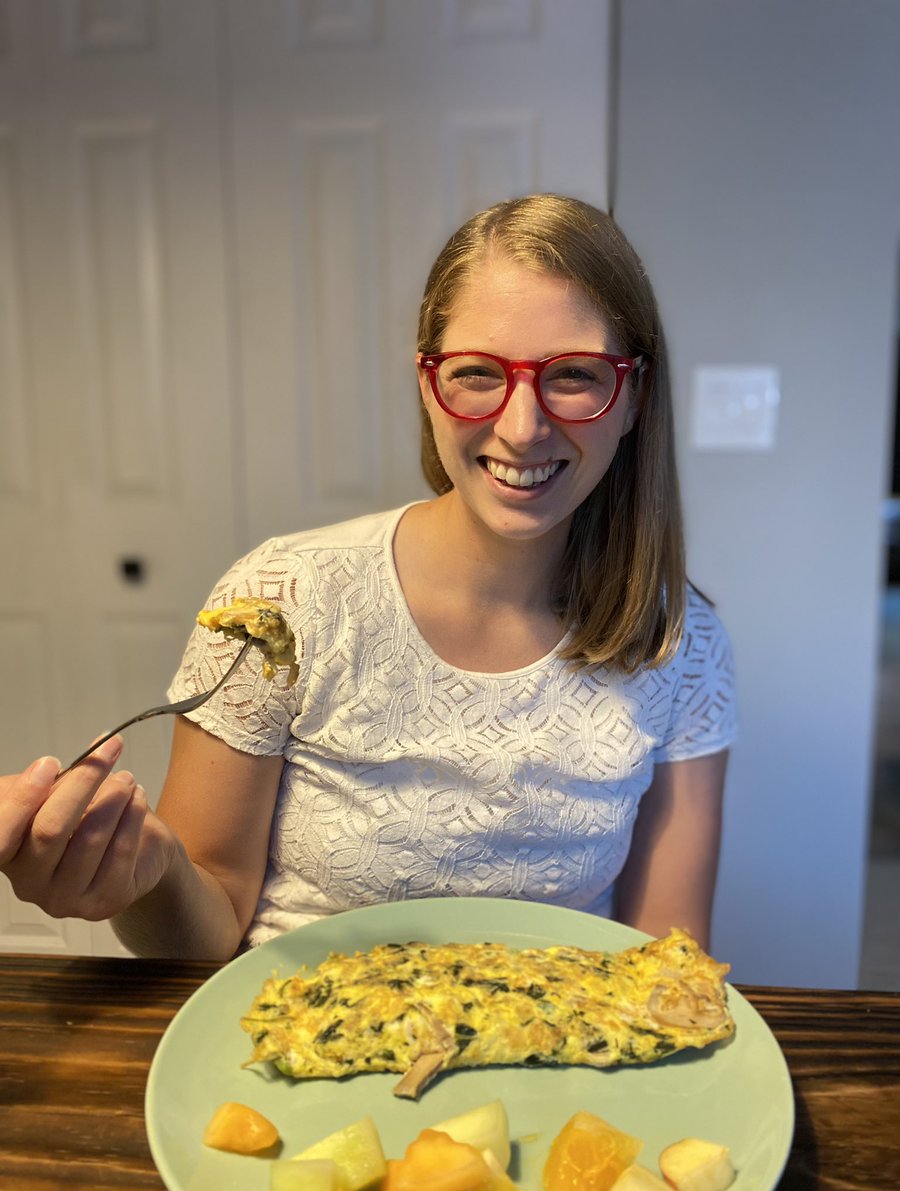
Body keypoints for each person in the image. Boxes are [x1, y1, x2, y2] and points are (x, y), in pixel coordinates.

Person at [0, 194, 736, 961]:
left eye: (577, 375)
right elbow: (206, 928)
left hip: (546, 1060)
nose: (523, 427)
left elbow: (666, 964)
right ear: (427, 382)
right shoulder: (280, 598)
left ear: (635, 396)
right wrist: (147, 877)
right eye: (478, 372)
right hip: (295, 1043)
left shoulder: (681, 645)